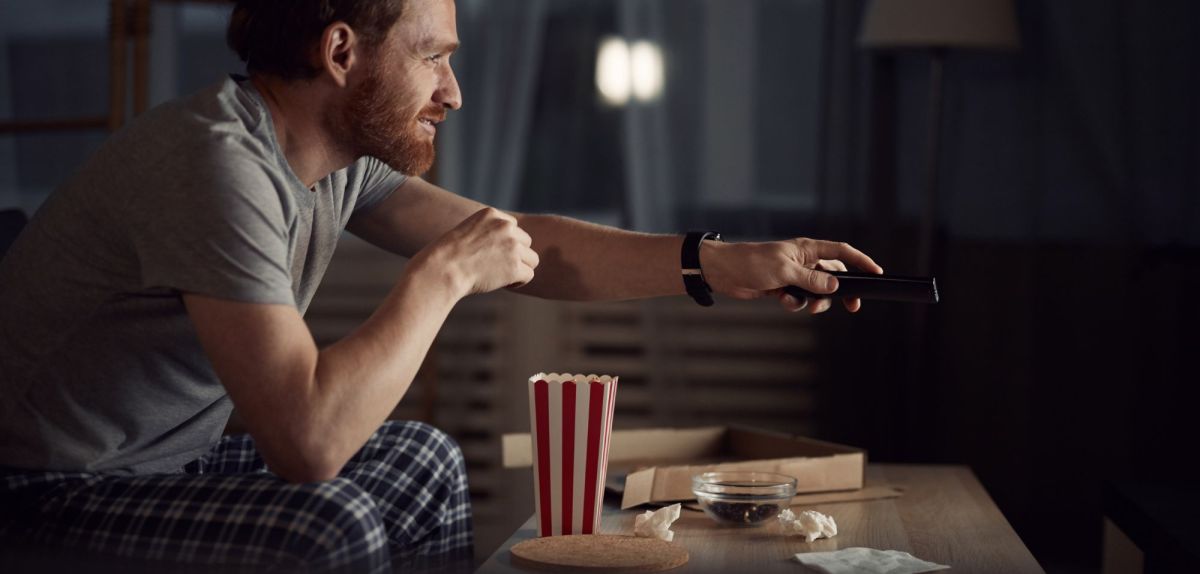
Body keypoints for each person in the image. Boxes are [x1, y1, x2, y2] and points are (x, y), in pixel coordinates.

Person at [0, 0, 882, 572]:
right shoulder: (217, 168)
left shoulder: (332, 159)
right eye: (435, 58)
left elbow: (527, 246)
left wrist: (723, 263)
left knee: (422, 462)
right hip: (47, 484)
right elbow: (306, 445)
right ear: (342, 51)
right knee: (331, 524)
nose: (452, 92)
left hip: (159, 464)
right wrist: (443, 274)